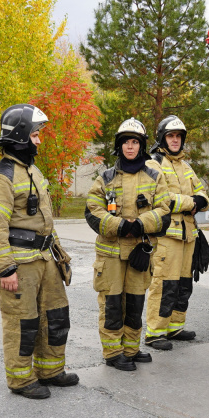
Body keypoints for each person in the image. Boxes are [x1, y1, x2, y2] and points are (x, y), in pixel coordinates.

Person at [0, 104, 77, 399]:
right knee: (23, 323)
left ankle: (51, 371)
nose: (39, 140)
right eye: (35, 134)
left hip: (46, 261)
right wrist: (5, 268)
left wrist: (59, 254)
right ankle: (21, 380)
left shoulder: (32, 170)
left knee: (55, 316)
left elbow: (45, 220)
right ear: (21, 135)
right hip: (21, 265)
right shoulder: (0, 176)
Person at [85, 118, 171, 370]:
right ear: (119, 146)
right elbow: (92, 211)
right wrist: (121, 226)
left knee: (135, 302)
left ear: (142, 146)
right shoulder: (105, 178)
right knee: (112, 305)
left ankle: (131, 350)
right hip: (110, 255)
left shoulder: (155, 177)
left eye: (135, 142)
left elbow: (164, 211)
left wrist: (141, 224)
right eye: (126, 142)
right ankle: (113, 354)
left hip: (138, 254)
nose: (130, 147)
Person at [144, 115, 209, 350]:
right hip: (167, 237)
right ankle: (155, 332)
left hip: (188, 236)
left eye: (178, 136)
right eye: (171, 136)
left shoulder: (186, 166)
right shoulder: (153, 164)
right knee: (164, 285)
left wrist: (196, 201)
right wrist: (191, 202)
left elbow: (205, 196)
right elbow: (159, 199)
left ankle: (174, 327)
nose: (175, 140)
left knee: (183, 284)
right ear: (162, 138)